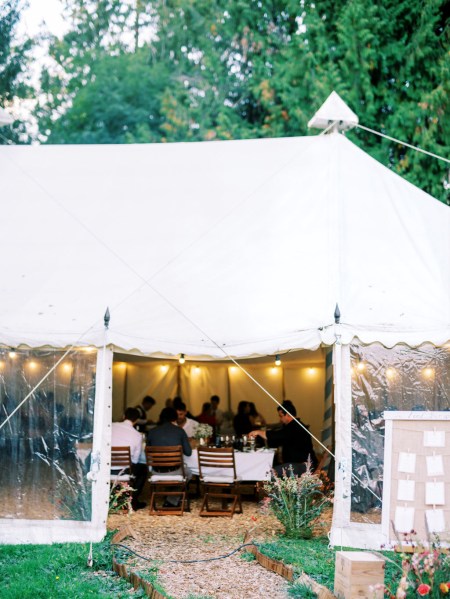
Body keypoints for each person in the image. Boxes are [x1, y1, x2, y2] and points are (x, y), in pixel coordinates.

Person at [249, 400, 318, 476]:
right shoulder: (294, 426)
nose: (280, 419)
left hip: (302, 466)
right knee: (269, 470)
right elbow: (279, 437)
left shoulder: (295, 427)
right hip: (297, 464)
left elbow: (278, 435)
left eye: (281, 416)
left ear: (288, 415)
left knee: (267, 474)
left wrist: (259, 432)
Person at [147, 407, 192, 507]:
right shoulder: (180, 431)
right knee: (189, 474)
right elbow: (188, 452)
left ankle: (170, 495)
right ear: (175, 418)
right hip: (175, 471)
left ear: (161, 417)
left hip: (156, 471)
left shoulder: (152, 432)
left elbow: (148, 451)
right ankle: (171, 499)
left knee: (183, 473)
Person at [111, 407, 148, 510]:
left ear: (123, 416)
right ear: (136, 420)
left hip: (106, 467)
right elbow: (135, 460)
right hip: (123, 471)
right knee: (143, 469)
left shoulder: (111, 427)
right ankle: (133, 501)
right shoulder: (137, 435)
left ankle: (112, 497)